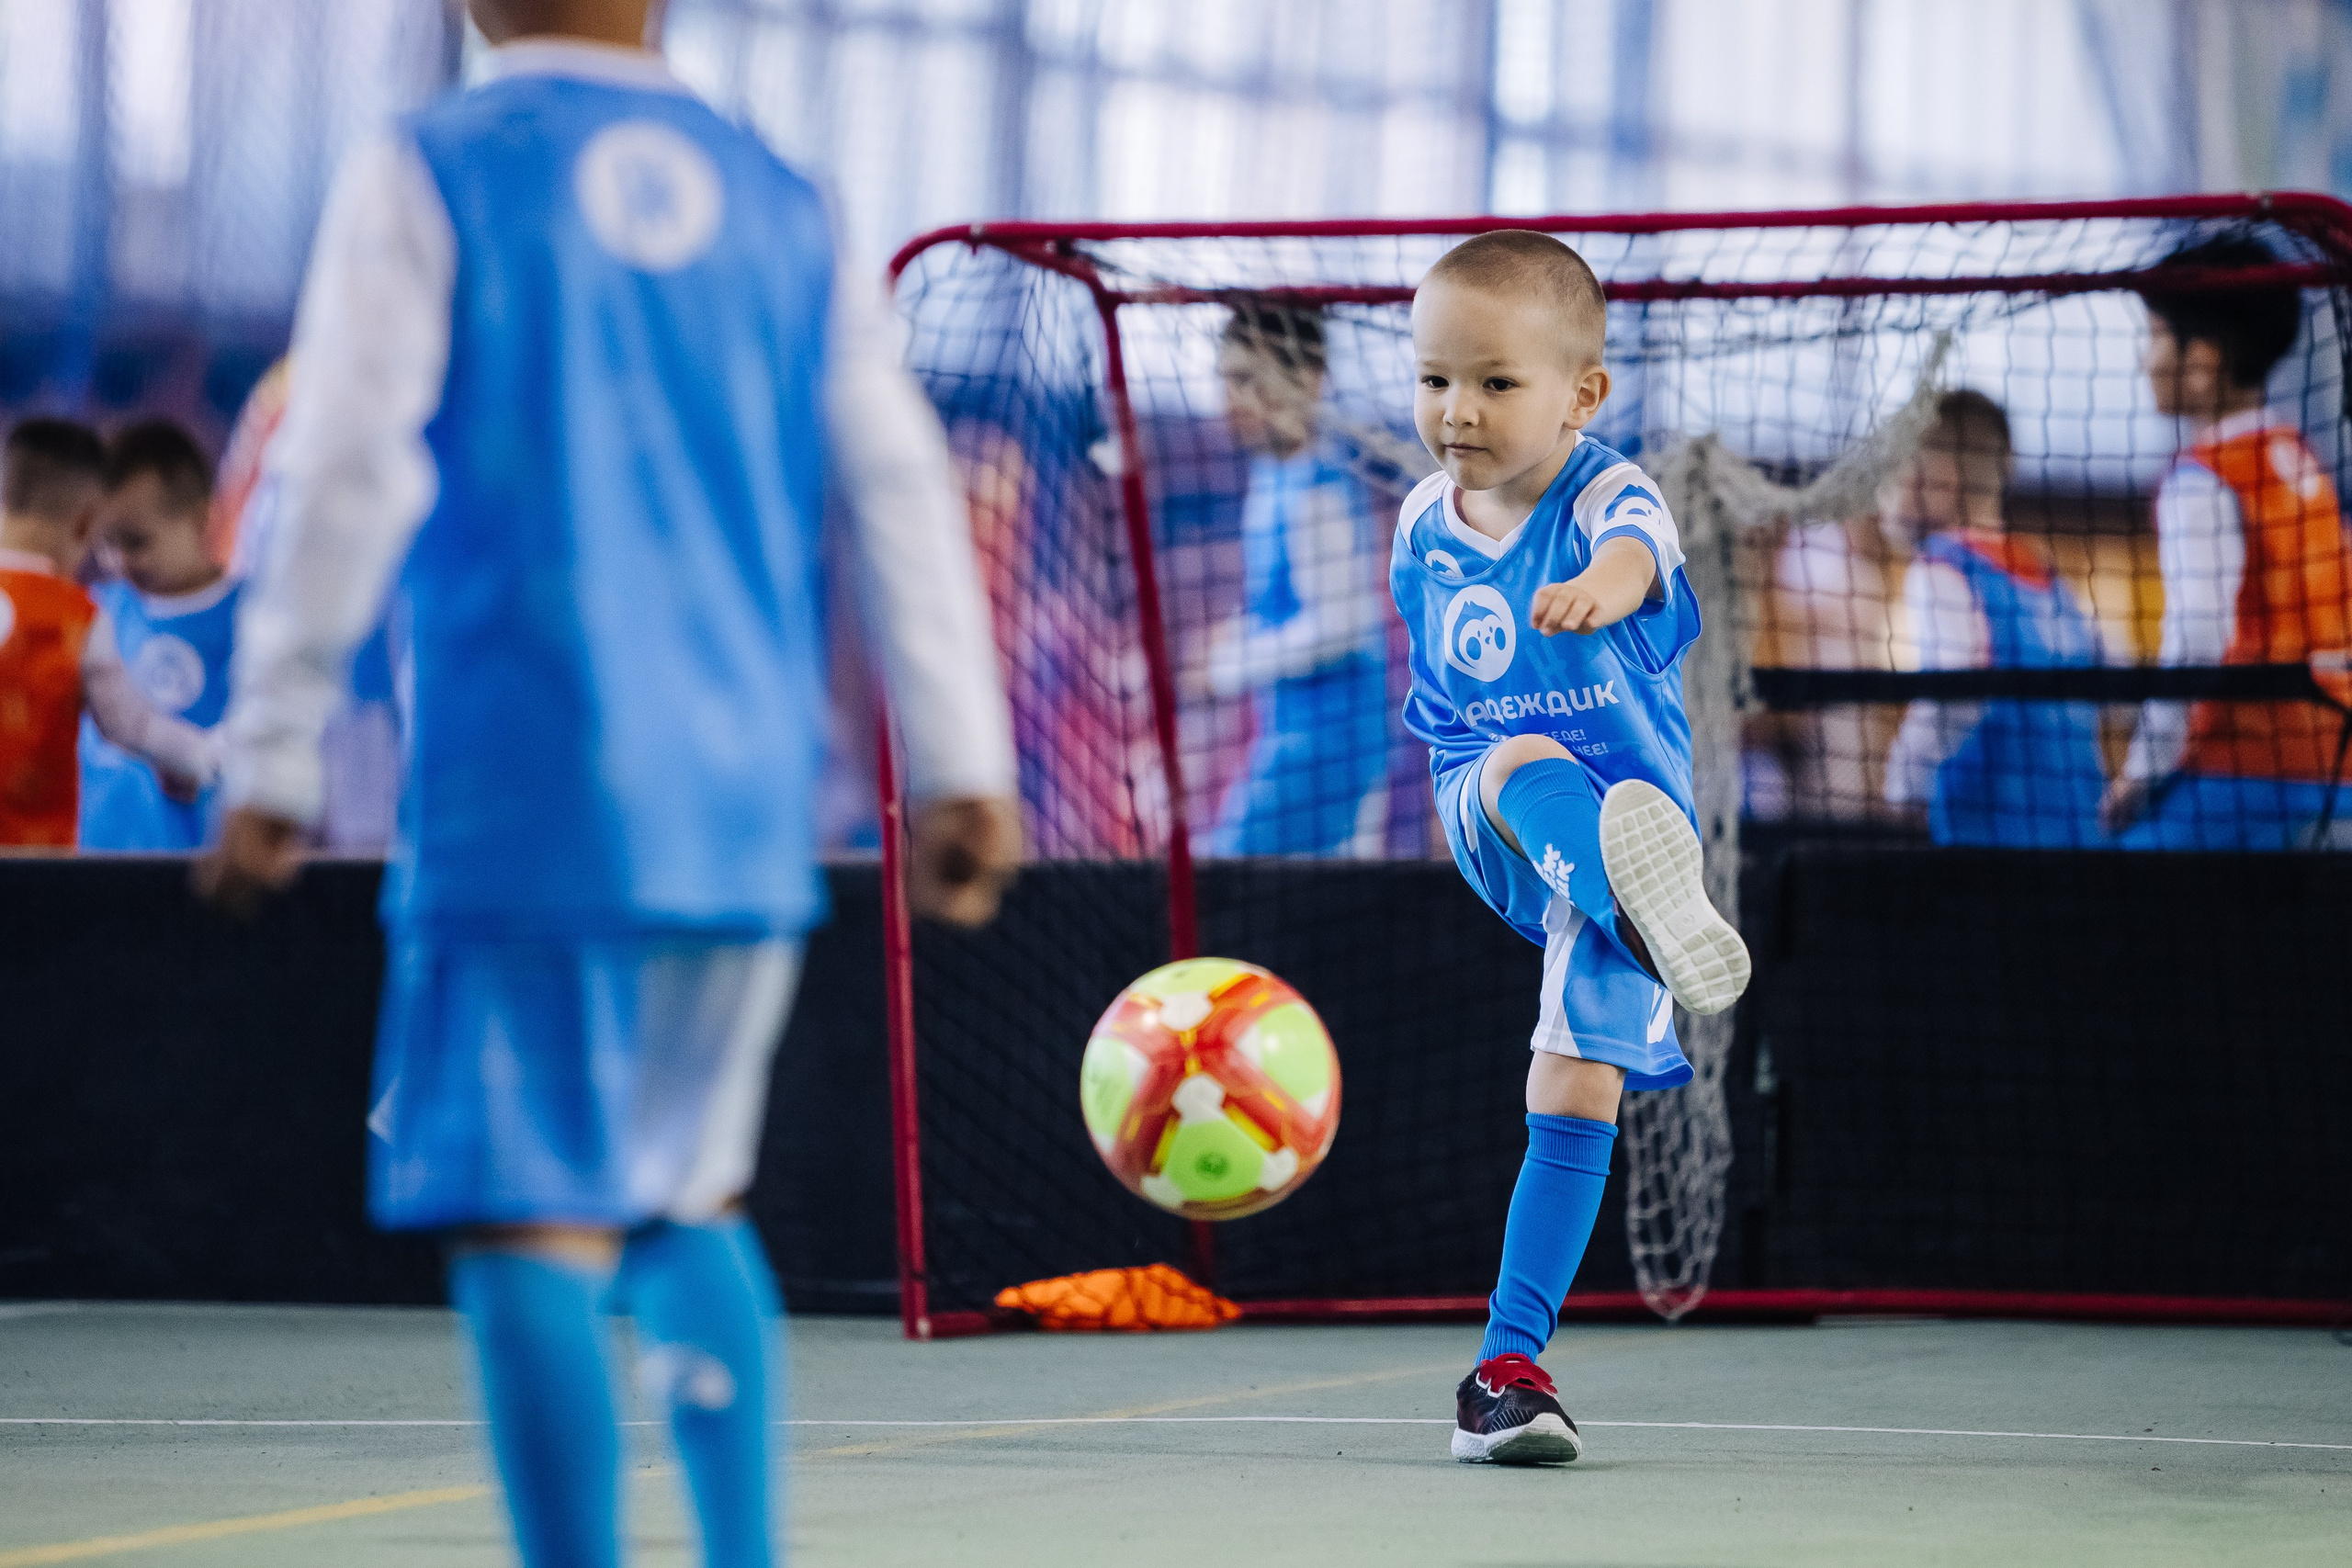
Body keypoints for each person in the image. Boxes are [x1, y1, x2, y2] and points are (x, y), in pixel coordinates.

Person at [196, 6, 1021, 1567]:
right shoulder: (781, 191)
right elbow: (897, 475)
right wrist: (966, 761)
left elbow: (345, 463)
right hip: (744, 806)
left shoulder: (433, 163)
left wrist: (274, 743)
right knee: (689, 1195)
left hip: (529, 797)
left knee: (527, 1213)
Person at [1393, 231, 1750, 1465]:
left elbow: (1640, 545)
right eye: (1435, 378)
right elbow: (1438, 678)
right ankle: (1637, 901)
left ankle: (1509, 1369)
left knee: (1577, 1080)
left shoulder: (1606, 494)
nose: (1458, 409)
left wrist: (1607, 584)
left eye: (1495, 382)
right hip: (1491, 801)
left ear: (1581, 394)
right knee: (1520, 761)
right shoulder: (1419, 525)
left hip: (1635, 823)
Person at [2107, 236, 2352, 849]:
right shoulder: (2298, 458)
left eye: (2157, 336)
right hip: (2339, 767)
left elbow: (2196, 639)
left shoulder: (2202, 477)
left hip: (2248, 771)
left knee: (2099, 899)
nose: (2145, 361)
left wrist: (2139, 773)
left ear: (2203, 361)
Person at [1201, 305, 1390, 857]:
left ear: (1307, 381)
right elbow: (1285, 605)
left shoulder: (1317, 487)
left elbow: (1343, 626)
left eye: (1245, 381)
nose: (1229, 401)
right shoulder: (1272, 475)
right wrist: (1236, 638)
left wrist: (1229, 665)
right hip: (1296, 738)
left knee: (1225, 879)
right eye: (1224, 380)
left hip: (1329, 744)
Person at [1882, 390, 2109, 845]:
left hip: (1989, 840)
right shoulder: (2046, 576)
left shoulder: (1940, 566)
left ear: (1940, 482)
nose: (1881, 500)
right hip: (2081, 834)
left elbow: (1955, 689)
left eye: (1888, 479)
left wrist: (1903, 785)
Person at [0, 417, 215, 848]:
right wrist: (205, 759)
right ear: (84, 525)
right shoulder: (80, 618)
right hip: (35, 863)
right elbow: (131, 726)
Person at [78, 421, 241, 852]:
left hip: (191, 861)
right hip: (87, 859)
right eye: (104, 543)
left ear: (202, 518)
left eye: (135, 542)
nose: (117, 561)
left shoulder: (250, 619)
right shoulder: (91, 611)